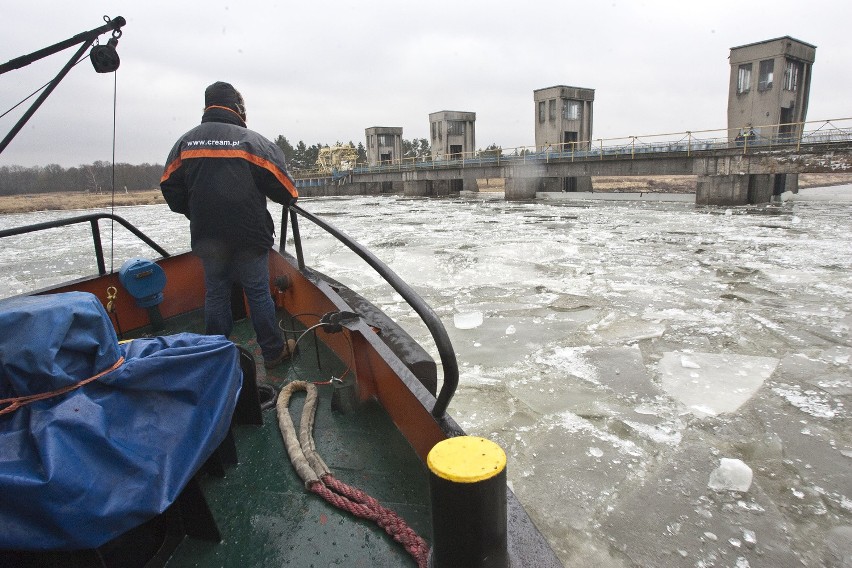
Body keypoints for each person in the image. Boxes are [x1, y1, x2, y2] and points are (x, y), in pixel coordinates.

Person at [160, 81, 298, 368]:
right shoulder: (254, 143)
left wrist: (192, 211)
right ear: (237, 107)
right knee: (258, 293)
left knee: (217, 292)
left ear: (207, 106)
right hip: (250, 236)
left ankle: (215, 357)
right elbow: (287, 193)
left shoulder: (186, 143)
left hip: (208, 236)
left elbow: (169, 187)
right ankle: (273, 353)